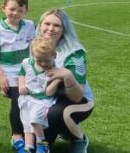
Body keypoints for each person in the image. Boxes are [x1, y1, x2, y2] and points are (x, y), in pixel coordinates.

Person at [36, 9, 94, 152]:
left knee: (56, 114)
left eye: (57, 25)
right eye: (47, 23)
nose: (50, 29)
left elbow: (77, 96)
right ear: (40, 25)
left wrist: (67, 76)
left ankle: (79, 138)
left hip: (77, 100)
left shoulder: (74, 53)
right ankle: (55, 133)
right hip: (49, 97)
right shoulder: (34, 46)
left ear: (64, 29)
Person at [0, 0, 36, 153]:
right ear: (4, 8)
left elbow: (33, 47)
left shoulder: (29, 25)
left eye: (20, 11)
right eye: (12, 9)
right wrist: (1, 77)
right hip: (10, 73)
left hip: (28, 72)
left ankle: (30, 133)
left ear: (26, 11)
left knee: (30, 102)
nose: (15, 13)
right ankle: (16, 135)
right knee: (18, 101)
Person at [17, 37, 63, 153]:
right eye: (39, 60)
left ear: (54, 55)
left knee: (35, 120)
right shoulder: (27, 62)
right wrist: (21, 85)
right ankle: (29, 147)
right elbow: (21, 73)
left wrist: (57, 80)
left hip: (43, 100)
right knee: (26, 123)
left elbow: (49, 92)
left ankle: (42, 144)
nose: (43, 63)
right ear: (32, 55)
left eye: (47, 60)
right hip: (27, 97)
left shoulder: (55, 70)